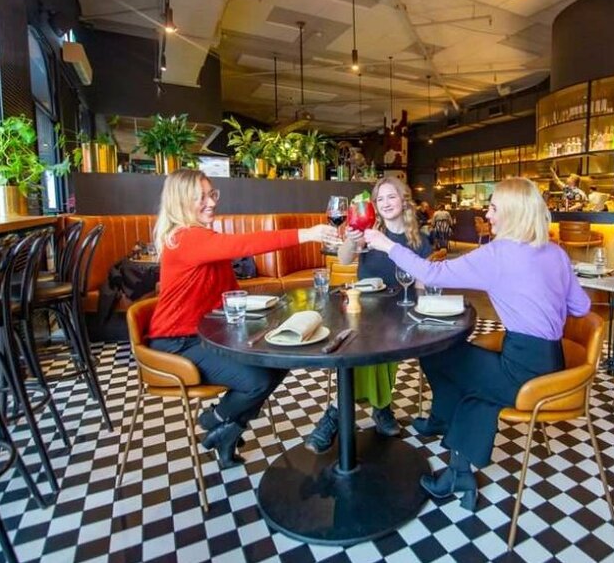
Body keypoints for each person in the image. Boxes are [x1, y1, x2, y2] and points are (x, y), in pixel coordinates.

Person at [364, 177, 591, 511]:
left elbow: (433, 275)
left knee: (439, 352)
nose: (489, 214)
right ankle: (458, 472)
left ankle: (444, 419)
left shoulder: (499, 254)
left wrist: (388, 247)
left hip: (522, 373)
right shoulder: (556, 253)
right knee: (476, 390)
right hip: (553, 365)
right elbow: (582, 308)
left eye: (494, 207)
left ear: (513, 213)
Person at [147, 170, 338, 468]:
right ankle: (217, 419)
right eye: (201, 197)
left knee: (277, 358)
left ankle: (228, 433)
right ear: (180, 202)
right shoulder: (185, 238)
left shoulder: (203, 237)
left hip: (207, 335)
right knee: (257, 380)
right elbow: (246, 245)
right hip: (176, 343)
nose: (211, 202)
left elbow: (228, 291)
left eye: (212, 194)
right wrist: (307, 234)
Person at [304, 177, 433, 453]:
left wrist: (420, 310)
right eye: (379, 199)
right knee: (364, 346)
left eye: (391, 197)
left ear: (403, 200)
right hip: (361, 308)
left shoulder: (419, 239)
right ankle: (379, 408)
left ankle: (338, 415)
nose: (385, 203)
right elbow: (344, 259)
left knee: (381, 343)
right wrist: (351, 239)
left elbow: (422, 284)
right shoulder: (368, 230)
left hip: (400, 309)